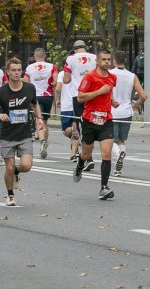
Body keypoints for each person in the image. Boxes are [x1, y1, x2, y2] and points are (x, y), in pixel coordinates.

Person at [0, 57, 43, 206]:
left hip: (24, 134)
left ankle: (17, 173)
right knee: (9, 167)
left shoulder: (29, 88)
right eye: (14, 70)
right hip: (7, 135)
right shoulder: (0, 92)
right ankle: (10, 194)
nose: (17, 73)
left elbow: (35, 104)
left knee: (26, 165)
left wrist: (39, 118)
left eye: (19, 70)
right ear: (8, 72)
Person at [72, 49, 118, 200]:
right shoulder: (89, 77)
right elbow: (80, 98)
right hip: (89, 120)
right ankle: (80, 165)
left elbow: (109, 92)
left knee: (106, 153)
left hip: (106, 120)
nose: (106, 62)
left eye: (108, 59)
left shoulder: (112, 77)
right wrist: (98, 92)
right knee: (86, 154)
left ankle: (104, 188)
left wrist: (112, 101)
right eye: (103, 59)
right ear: (97, 61)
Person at [63, 40, 97, 171]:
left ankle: (87, 157)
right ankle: (88, 156)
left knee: (81, 125)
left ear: (75, 50)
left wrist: (74, 76)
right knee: (91, 124)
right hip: (93, 94)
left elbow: (66, 80)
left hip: (78, 96)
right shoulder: (94, 57)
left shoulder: (71, 59)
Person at [110, 50, 146, 176]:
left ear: (114, 60)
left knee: (111, 140)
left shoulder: (109, 74)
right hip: (127, 112)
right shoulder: (132, 76)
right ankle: (118, 168)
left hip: (112, 112)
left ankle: (119, 155)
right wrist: (137, 103)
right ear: (125, 60)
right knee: (121, 140)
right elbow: (144, 96)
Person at [24, 48, 57, 159]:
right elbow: (55, 82)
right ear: (45, 56)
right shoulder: (52, 66)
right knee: (45, 121)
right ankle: (45, 142)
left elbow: (26, 82)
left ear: (34, 56)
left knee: (39, 119)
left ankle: (42, 140)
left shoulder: (29, 68)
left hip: (35, 96)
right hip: (48, 96)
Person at [56, 51, 79, 162]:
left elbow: (58, 89)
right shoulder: (80, 74)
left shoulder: (61, 74)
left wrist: (57, 98)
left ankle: (73, 151)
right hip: (77, 104)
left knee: (66, 130)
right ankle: (73, 154)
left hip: (66, 106)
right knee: (76, 129)